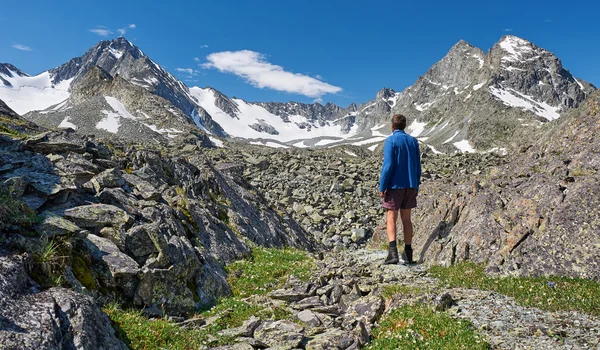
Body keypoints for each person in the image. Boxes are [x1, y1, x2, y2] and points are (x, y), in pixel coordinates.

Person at [379, 114, 422, 265]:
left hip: (394, 185)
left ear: (392, 126)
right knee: (406, 219)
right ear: (405, 126)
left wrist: (382, 185)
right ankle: (408, 253)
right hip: (410, 184)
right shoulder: (413, 141)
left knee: (391, 217)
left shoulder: (390, 140)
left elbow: (388, 165)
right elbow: (418, 165)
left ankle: (393, 254)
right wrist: (416, 185)